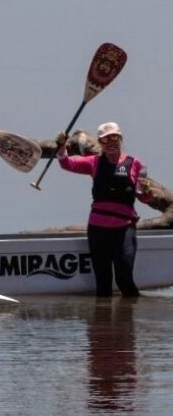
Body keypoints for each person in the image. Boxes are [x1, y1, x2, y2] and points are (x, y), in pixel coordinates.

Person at [57, 122, 150, 297]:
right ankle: (102, 324)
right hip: (98, 229)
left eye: (114, 138)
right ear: (100, 143)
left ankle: (129, 320)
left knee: (124, 279)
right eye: (105, 140)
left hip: (124, 229)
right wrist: (61, 147)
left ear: (121, 139)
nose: (111, 143)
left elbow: (143, 196)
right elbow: (66, 163)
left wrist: (147, 192)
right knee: (103, 283)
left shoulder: (136, 164)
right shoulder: (94, 162)